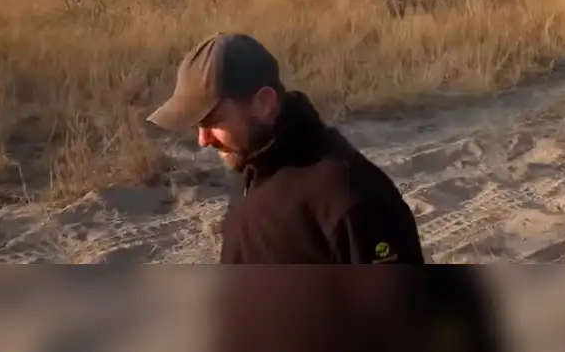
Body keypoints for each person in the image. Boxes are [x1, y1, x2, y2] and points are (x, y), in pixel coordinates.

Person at [147, 32, 426, 264]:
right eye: (197, 125)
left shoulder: (352, 196)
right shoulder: (251, 170)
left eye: (213, 121)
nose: (203, 140)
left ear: (264, 104)